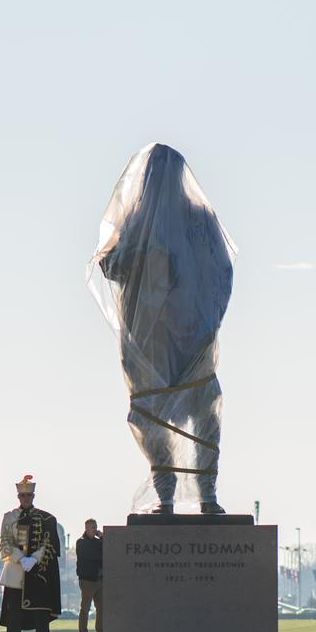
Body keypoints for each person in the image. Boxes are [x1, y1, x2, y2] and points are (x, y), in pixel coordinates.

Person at [87, 143, 236, 514]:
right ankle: (178, 495)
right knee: (173, 411)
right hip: (160, 339)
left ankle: (199, 495)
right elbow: (112, 267)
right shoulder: (142, 223)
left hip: (173, 339)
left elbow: (221, 271)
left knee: (193, 409)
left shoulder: (191, 219)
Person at [0, 475, 61, 632]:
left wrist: (33, 559)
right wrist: (20, 559)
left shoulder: (46, 518)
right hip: (15, 574)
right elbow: (5, 542)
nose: (26, 499)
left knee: (41, 615)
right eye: (23, 496)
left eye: (29, 496)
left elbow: (48, 542)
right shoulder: (9, 517)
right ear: (18, 497)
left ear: (33, 496)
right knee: (14, 616)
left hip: (37, 573)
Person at [76, 518, 104, 632]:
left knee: (101, 609)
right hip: (87, 580)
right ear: (86, 528)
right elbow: (93, 556)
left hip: (100, 580)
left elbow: (108, 552)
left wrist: (103, 538)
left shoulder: (99, 542)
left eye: (95, 527)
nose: (94, 530)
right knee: (85, 609)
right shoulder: (81, 543)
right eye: (92, 527)